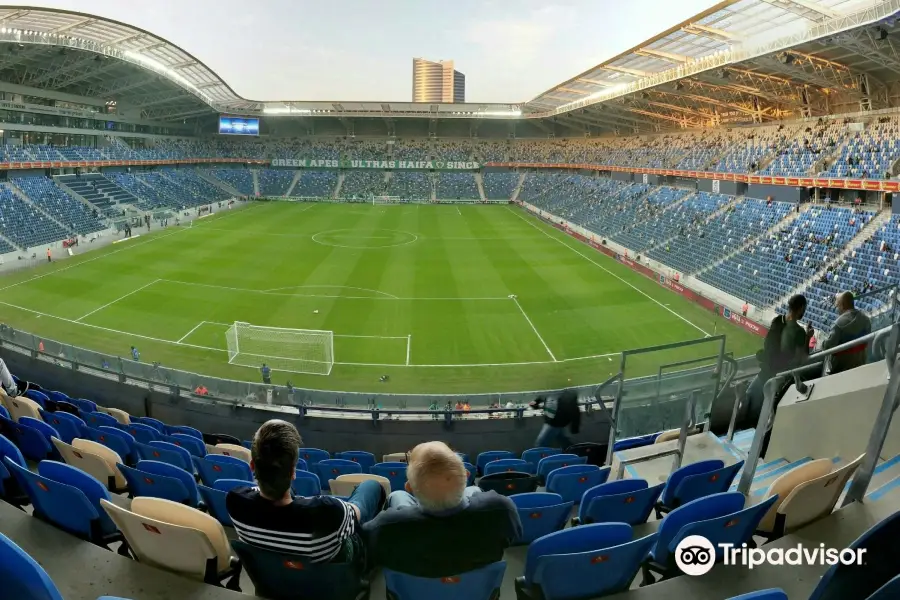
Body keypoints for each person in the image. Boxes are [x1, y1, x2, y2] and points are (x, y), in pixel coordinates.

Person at [226, 420, 384, 570]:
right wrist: (345, 505)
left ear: (252, 466)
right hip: (327, 575)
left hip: (273, 575)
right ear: (293, 472)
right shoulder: (328, 511)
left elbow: (261, 491)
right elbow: (357, 513)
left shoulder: (235, 501)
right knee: (370, 486)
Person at [363, 441, 522, 577]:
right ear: (466, 476)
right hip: (475, 590)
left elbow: (369, 550)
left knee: (397, 495)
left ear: (410, 488)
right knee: (474, 491)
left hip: (415, 592)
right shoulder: (501, 509)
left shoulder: (386, 525)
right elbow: (512, 537)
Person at [745, 294, 813, 430]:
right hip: (779, 378)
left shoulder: (777, 320)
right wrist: (807, 338)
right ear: (801, 309)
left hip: (765, 372)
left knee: (749, 400)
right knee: (770, 413)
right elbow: (801, 358)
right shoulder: (799, 332)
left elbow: (768, 345)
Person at [822, 291, 872, 374]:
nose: (837, 308)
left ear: (843, 305)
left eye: (837, 305)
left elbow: (827, 347)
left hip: (842, 369)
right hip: (861, 364)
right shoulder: (866, 319)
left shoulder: (838, 324)